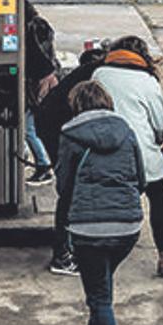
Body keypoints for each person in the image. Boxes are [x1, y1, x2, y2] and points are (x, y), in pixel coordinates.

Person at [57, 81, 145, 325]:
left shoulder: (70, 135)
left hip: (88, 229)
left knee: (99, 297)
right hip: (128, 227)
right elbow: (141, 180)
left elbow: (63, 187)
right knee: (102, 287)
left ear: (76, 105)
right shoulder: (127, 131)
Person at [92, 36, 163, 277]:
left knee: (107, 201)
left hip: (107, 150)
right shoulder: (147, 81)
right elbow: (159, 122)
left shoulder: (99, 74)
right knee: (158, 199)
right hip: (141, 152)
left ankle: (103, 253)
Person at [40, 47, 108, 276]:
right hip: (58, 127)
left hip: (58, 123)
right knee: (69, 190)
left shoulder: (97, 70)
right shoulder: (104, 73)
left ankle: (70, 248)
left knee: (71, 188)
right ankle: (62, 254)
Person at [25, 3, 59, 186]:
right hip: (45, 78)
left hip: (37, 82)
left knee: (28, 126)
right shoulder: (41, 25)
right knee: (30, 123)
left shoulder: (31, 30)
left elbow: (34, 58)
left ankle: (43, 164)